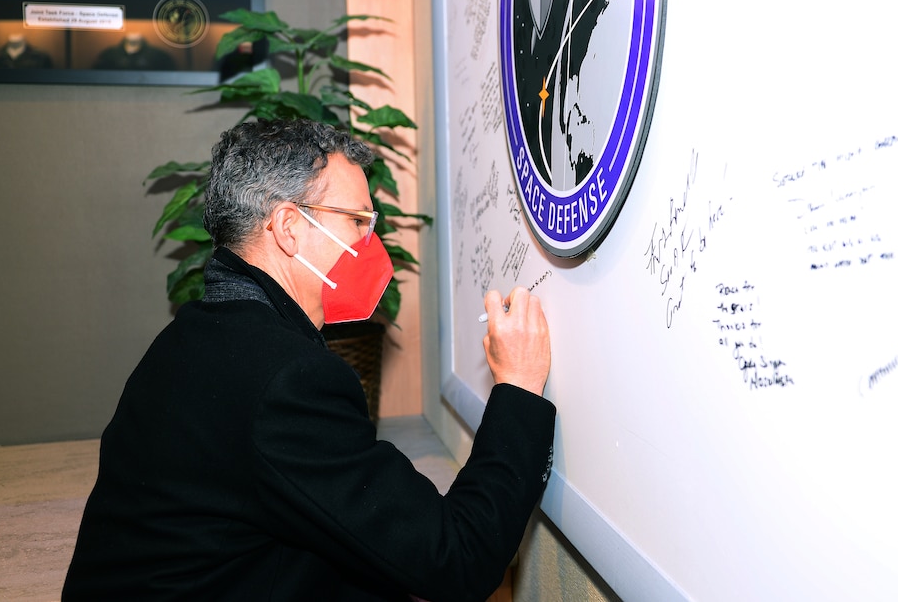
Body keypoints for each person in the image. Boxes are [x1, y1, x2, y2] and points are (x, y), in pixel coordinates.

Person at [62, 119, 555, 601]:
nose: (370, 243)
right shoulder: (288, 380)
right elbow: (458, 559)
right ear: (289, 228)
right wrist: (517, 386)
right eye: (358, 221)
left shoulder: (190, 335)